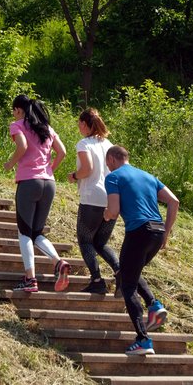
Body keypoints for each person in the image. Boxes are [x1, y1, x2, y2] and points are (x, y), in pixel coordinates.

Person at [104, 145, 179, 355]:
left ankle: (143, 340)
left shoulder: (114, 177)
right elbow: (174, 201)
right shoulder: (148, 176)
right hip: (156, 232)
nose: (107, 167)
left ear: (111, 159)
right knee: (130, 271)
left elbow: (114, 209)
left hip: (138, 231)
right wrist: (166, 233)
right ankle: (154, 306)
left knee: (127, 286)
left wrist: (106, 216)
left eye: (107, 163)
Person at [4, 94, 71, 293]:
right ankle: (58, 262)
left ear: (18, 109)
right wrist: (50, 169)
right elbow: (63, 152)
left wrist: (10, 163)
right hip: (49, 183)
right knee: (37, 232)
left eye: (14, 110)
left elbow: (22, 145)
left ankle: (30, 279)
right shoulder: (47, 128)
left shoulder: (17, 125)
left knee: (24, 232)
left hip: (28, 182)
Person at [67, 108, 120, 295]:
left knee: (85, 240)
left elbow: (87, 169)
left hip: (92, 198)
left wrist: (74, 175)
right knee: (101, 242)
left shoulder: (84, 144)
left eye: (79, 124)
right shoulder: (109, 144)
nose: (79, 128)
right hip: (112, 199)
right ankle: (119, 272)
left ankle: (97, 280)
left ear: (84, 124)